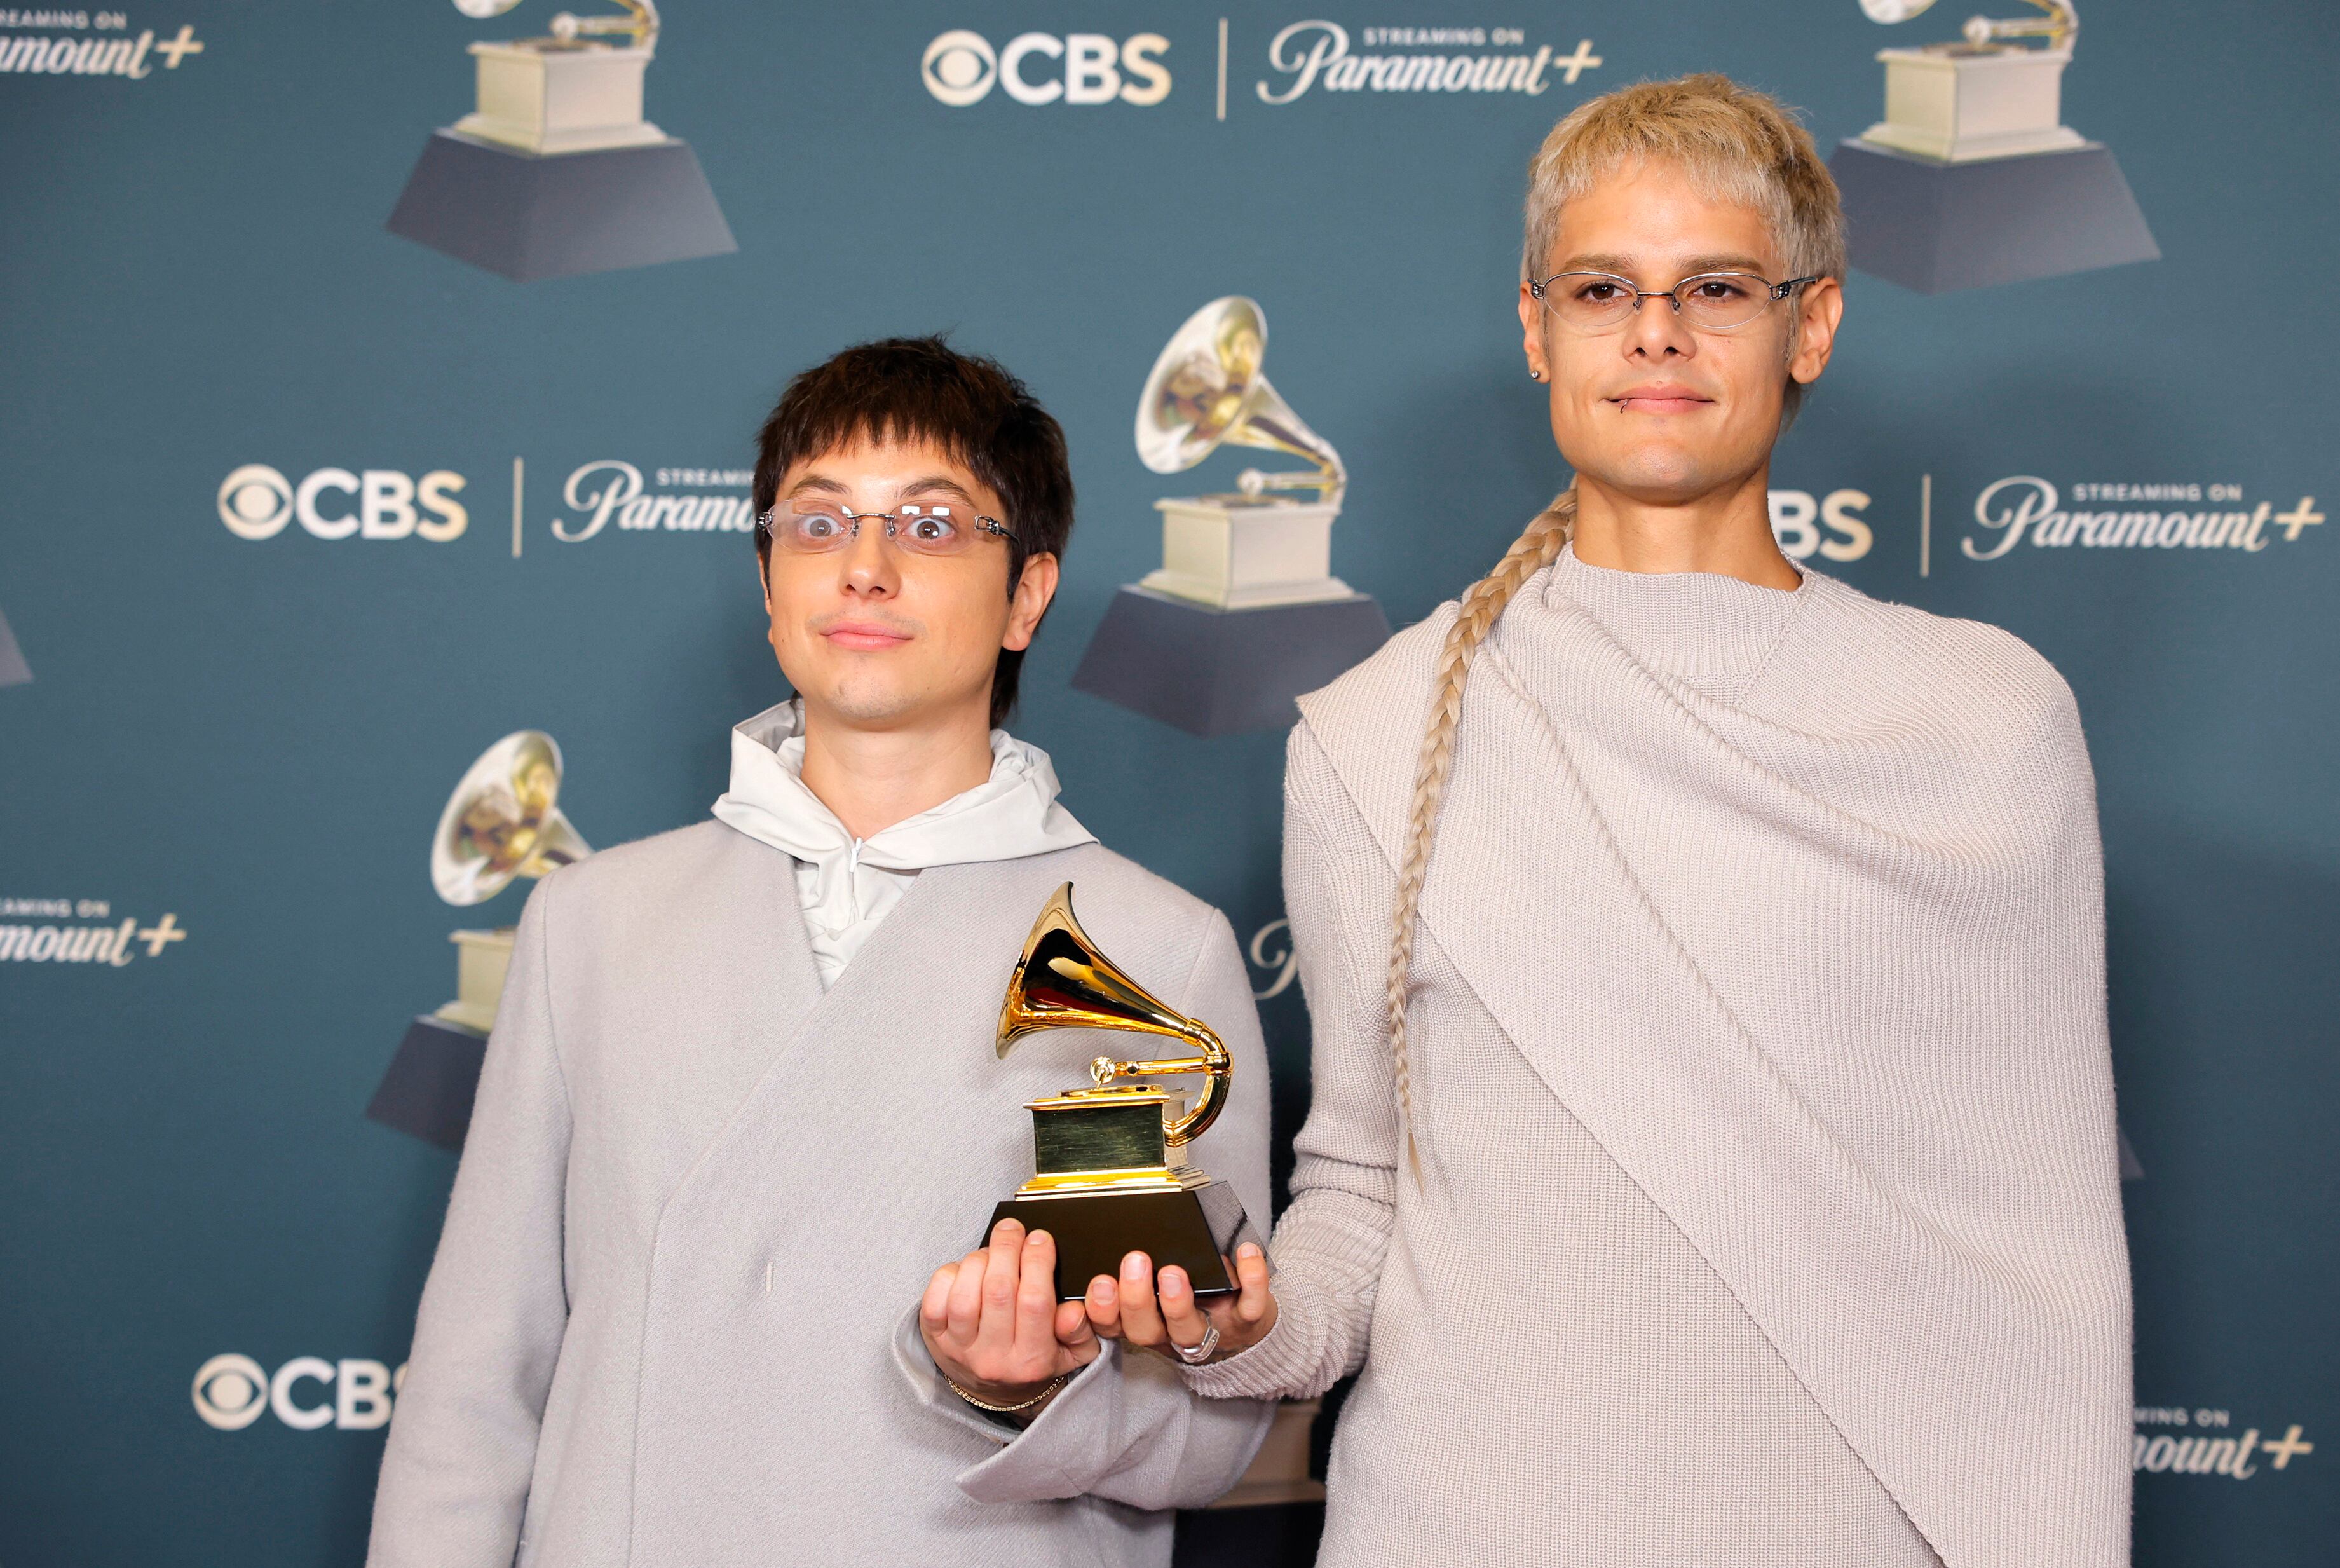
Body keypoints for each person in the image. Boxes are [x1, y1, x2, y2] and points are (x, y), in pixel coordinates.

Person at [1092, 76, 2133, 1566]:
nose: (1656, 332)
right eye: (1602, 289)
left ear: (1811, 324)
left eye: (1715, 286)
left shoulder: (1983, 720)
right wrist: (1229, 1321)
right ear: (1536, 329)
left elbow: (2046, 1250)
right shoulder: (1376, 730)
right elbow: (1360, 1191)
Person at [367, 337, 1274, 1568]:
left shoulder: (1160, 948)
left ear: (1026, 594)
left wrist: (1024, 1389)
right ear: (766, 578)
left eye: (932, 524)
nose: (864, 566)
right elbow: (474, 1385)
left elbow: (1212, 1429)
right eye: (816, 523)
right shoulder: (590, 921)